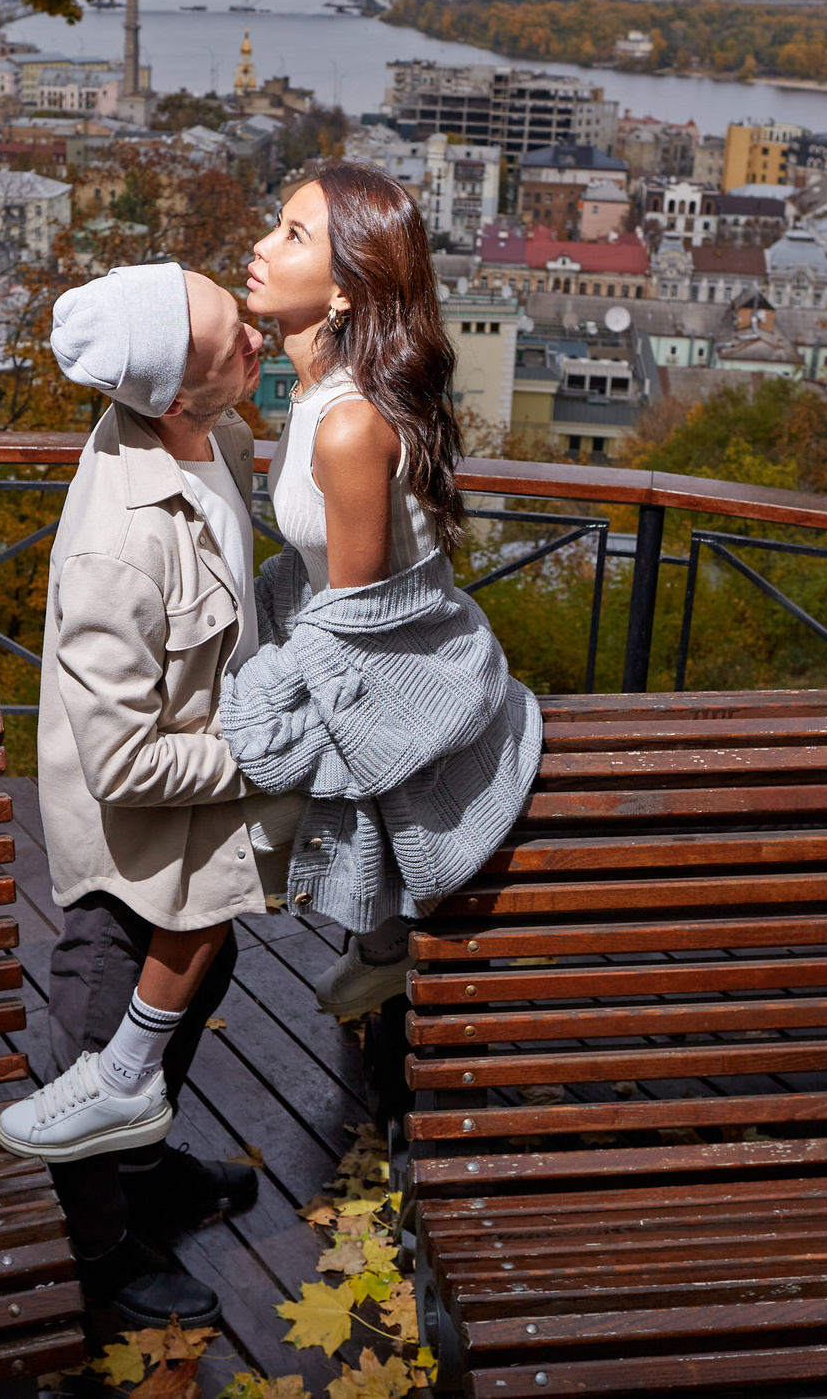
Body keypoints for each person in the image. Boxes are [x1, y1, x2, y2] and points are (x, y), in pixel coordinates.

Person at [0, 260, 299, 1330]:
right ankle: (101, 1254)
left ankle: (142, 1169)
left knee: (196, 993)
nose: (254, 337)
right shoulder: (118, 550)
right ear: (172, 393)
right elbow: (122, 766)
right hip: (130, 857)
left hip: (199, 830)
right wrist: (264, 752)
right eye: (230, 340)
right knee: (96, 1046)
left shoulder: (216, 435)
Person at [220, 164, 541, 1017]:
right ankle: (378, 945)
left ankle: (384, 943)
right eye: (276, 223)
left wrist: (248, 695)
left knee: (214, 805)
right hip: (360, 650)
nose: (262, 245)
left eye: (294, 234)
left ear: (344, 291)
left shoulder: (350, 423)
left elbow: (358, 623)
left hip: (404, 679)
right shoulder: (315, 398)